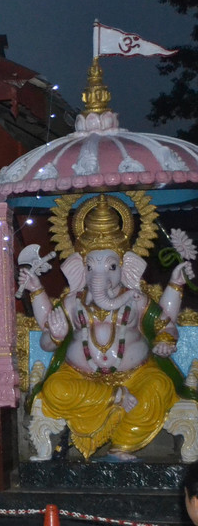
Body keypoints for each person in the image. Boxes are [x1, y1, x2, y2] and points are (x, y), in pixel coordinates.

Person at [21, 194, 193, 461]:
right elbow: (46, 340)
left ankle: (121, 449)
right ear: (80, 269)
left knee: (159, 386)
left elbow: (165, 325)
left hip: (136, 375)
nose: (99, 276)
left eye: (111, 267)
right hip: (81, 377)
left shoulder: (136, 300)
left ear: (126, 268)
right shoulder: (73, 302)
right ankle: (114, 396)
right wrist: (54, 335)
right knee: (55, 389)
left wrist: (164, 340)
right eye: (91, 268)